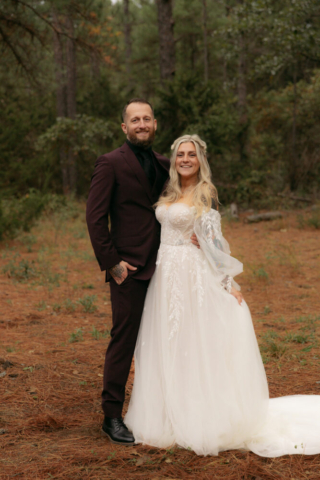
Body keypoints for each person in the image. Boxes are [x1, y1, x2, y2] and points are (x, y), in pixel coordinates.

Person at [125, 134, 320, 457]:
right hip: (166, 275)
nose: (185, 159)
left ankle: (199, 414)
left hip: (191, 275)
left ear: (200, 160)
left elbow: (215, 243)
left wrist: (229, 283)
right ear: (174, 160)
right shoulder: (170, 191)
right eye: (180, 155)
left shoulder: (204, 193)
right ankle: (168, 410)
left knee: (192, 341)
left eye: (191, 154)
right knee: (168, 340)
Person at [86, 99, 198, 445]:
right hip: (129, 270)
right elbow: (95, 217)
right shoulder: (110, 163)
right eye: (135, 120)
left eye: (146, 119)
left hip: (167, 267)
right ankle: (112, 416)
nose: (141, 124)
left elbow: (180, 202)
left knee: (168, 339)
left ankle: (169, 407)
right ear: (124, 127)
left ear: (154, 124)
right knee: (125, 339)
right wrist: (112, 263)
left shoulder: (166, 164)